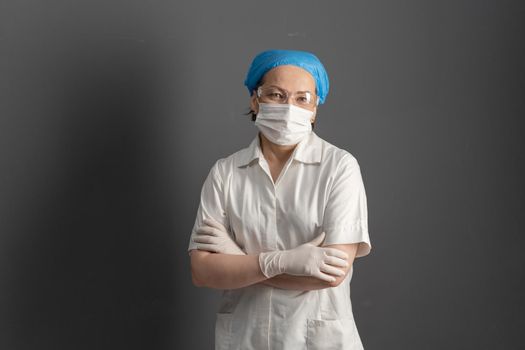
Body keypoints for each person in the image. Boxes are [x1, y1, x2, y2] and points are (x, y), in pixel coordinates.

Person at [187, 49, 372, 349]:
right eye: (276, 94)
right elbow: (202, 271)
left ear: (314, 109)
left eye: (302, 98)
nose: (290, 107)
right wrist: (284, 262)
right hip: (246, 339)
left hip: (318, 340)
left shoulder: (339, 167)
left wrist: (237, 262)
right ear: (255, 100)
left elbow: (331, 275)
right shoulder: (225, 173)